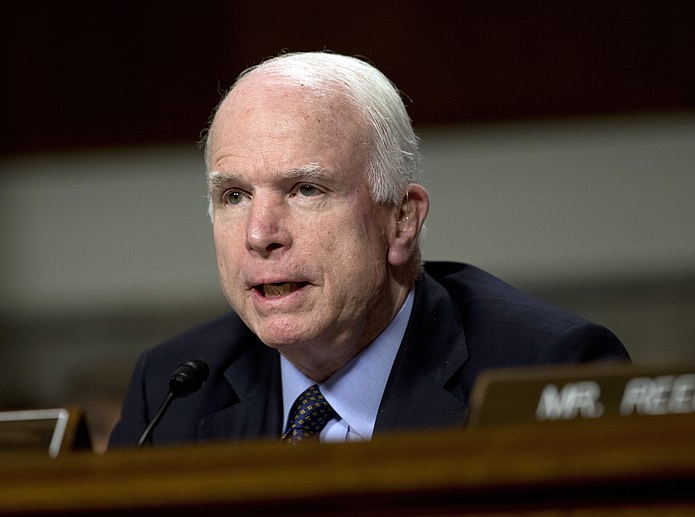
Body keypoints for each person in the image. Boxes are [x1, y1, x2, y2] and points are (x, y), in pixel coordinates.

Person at [109, 51, 629, 448]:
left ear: (401, 220)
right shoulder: (174, 388)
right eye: (234, 196)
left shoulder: (545, 371)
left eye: (306, 190)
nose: (259, 234)